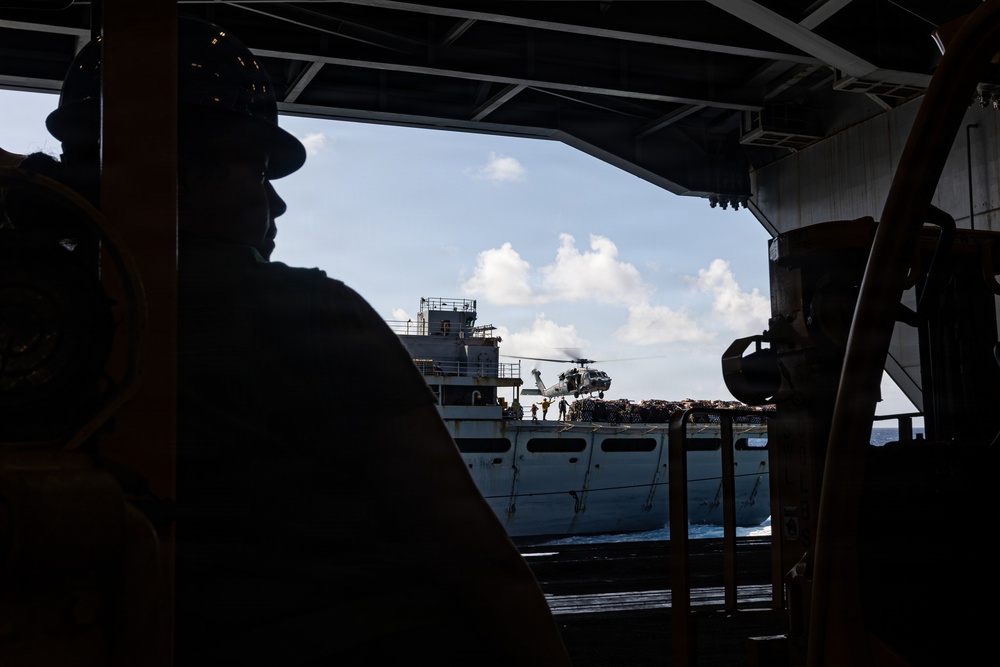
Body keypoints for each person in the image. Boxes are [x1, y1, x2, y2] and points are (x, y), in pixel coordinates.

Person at [44, 17, 571, 666]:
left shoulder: (42, 319)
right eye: (256, 168)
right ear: (179, 172)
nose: (277, 205)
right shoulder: (312, 314)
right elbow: (480, 560)